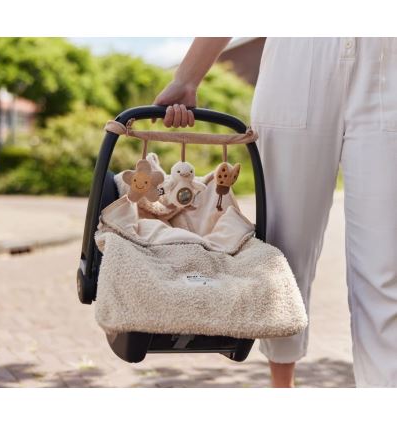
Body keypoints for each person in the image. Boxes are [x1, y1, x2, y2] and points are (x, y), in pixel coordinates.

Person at [153, 37, 397, 388]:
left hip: (387, 62)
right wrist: (187, 77)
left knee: (385, 268)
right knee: (284, 256)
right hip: (297, 62)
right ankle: (283, 391)